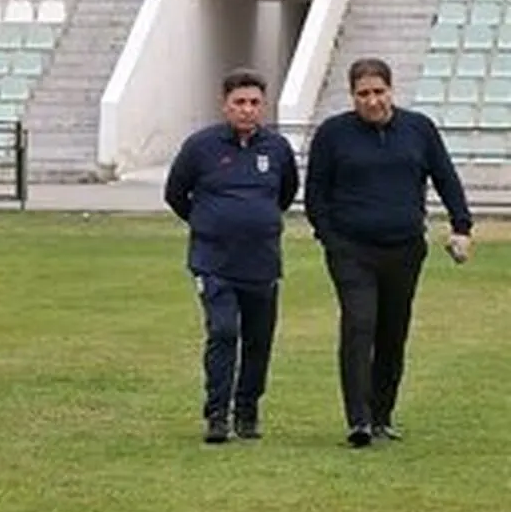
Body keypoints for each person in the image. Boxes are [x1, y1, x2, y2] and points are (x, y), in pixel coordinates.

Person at [305, 57, 474, 448]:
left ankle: (382, 415)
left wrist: (461, 225)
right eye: (363, 94)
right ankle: (359, 420)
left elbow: (445, 176)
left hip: (404, 249)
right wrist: (331, 238)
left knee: (392, 332)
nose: (372, 101)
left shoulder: (419, 129)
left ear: (391, 90)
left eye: (378, 92)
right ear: (352, 96)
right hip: (352, 250)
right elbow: (316, 193)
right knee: (358, 325)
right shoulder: (333, 134)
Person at [163, 69, 299, 444]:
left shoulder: (277, 149)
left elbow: (285, 193)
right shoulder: (200, 147)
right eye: (239, 102)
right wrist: (208, 222)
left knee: (259, 339)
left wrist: (258, 221)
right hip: (214, 261)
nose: (247, 110)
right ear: (224, 105)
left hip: (262, 261)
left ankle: (247, 410)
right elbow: (176, 194)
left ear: (263, 106)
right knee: (223, 332)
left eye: (254, 103)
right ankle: (217, 413)